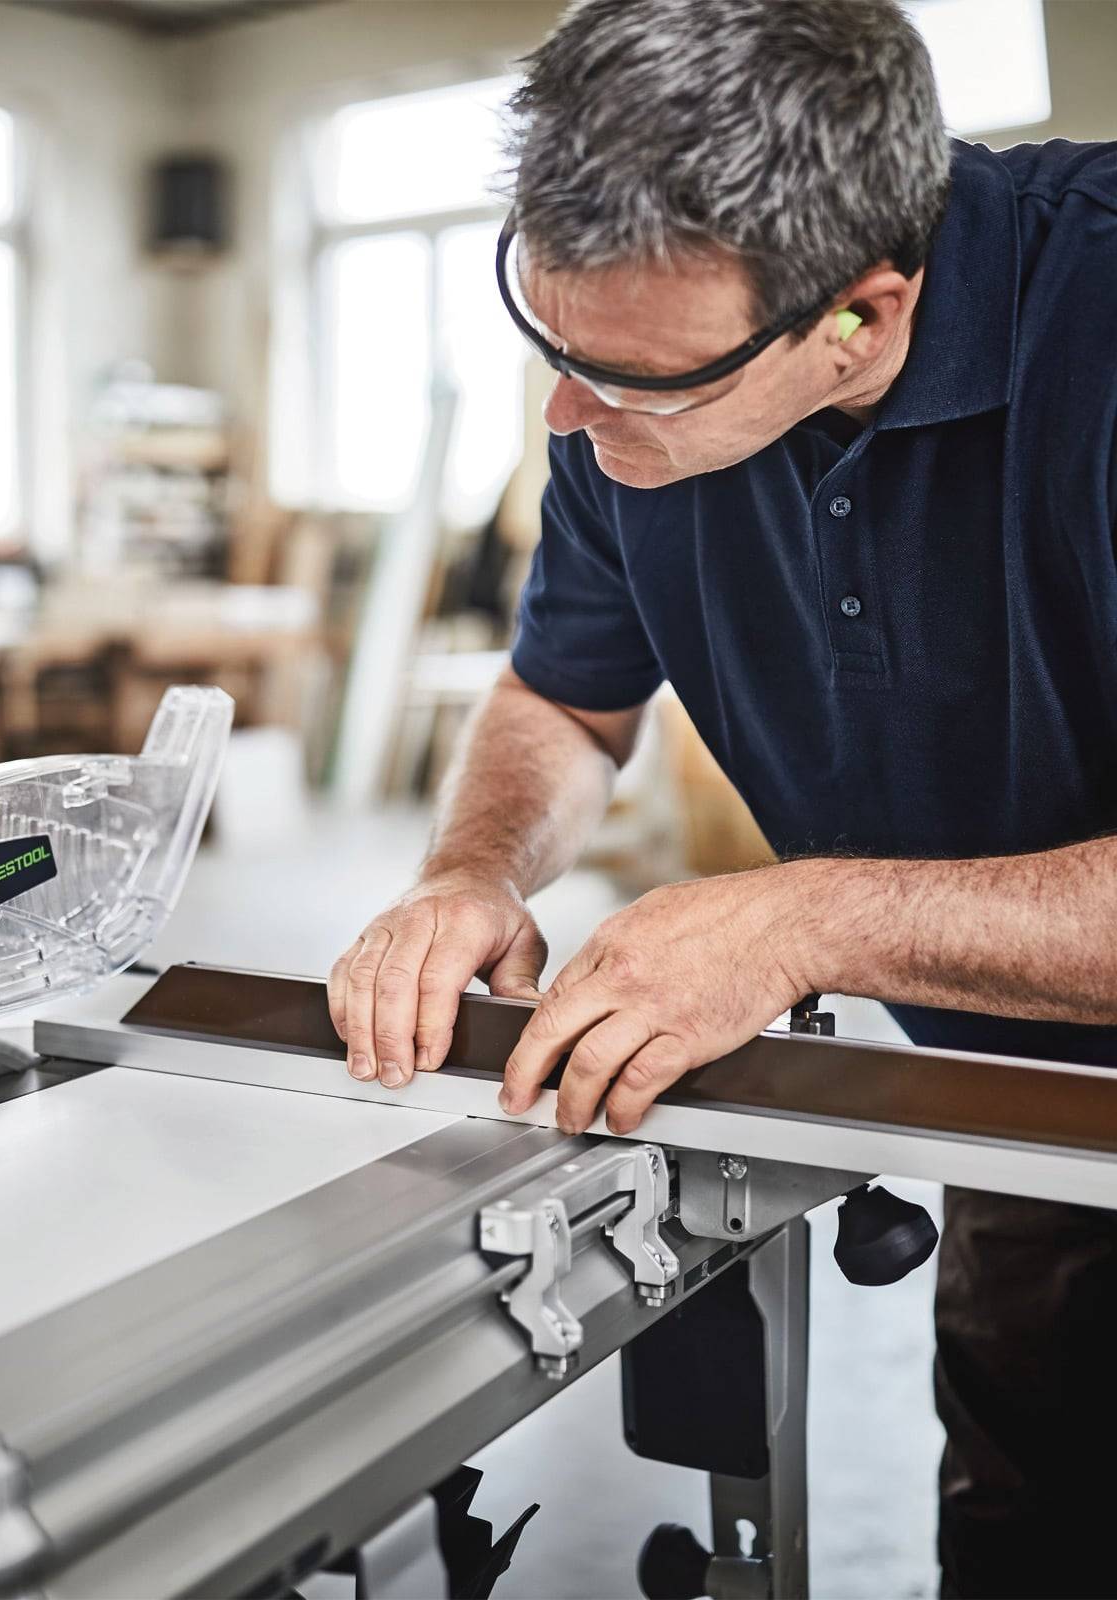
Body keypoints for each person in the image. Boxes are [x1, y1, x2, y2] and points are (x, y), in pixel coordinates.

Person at [326, 1, 1117, 1594]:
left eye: (636, 383)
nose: (567, 416)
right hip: (1036, 1117)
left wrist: (808, 919)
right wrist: (472, 872)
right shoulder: (629, 392)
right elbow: (564, 688)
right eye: (553, 349)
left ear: (862, 313)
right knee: (1043, 1527)